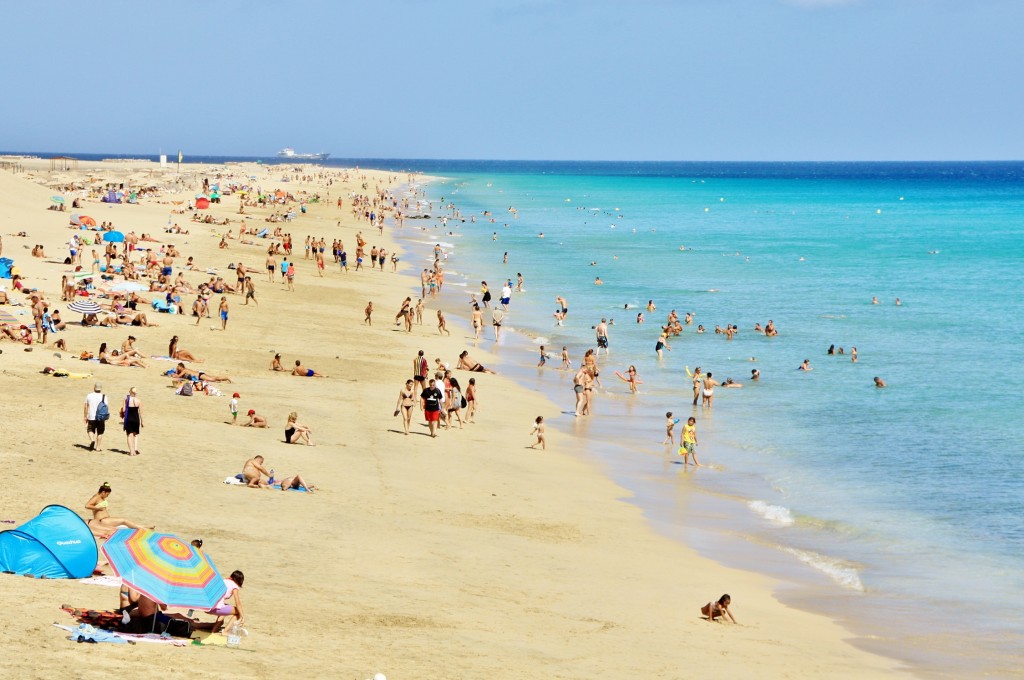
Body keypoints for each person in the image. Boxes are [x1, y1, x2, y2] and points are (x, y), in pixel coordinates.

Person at [85, 482, 153, 537]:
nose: (107, 496)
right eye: (107, 494)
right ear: (103, 492)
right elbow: (87, 505)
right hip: (102, 520)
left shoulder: (100, 497)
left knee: (125, 522)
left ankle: (143, 526)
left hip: (106, 519)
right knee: (124, 520)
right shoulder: (96, 497)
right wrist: (97, 508)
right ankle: (144, 528)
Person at [84, 382, 107, 451]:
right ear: (101, 389)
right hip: (100, 417)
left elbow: (86, 407)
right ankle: (98, 447)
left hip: (91, 416)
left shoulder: (89, 396)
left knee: (90, 430)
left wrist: (85, 416)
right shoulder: (104, 396)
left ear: (94, 388)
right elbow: (106, 407)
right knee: (100, 432)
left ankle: (92, 440)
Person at [122, 387, 142, 456]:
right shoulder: (138, 400)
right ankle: (135, 450)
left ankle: (131, 451)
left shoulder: (126, 399)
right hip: (136, 419)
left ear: (130, 392)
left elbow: (124, 410)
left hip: (129, 419)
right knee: (135, 434)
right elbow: (141, 413)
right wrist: (142, 421)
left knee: (129, 435)